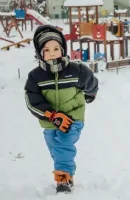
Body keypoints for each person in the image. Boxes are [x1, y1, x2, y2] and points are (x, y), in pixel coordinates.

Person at [24, 25, 98, 193]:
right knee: (55, 149)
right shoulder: (36, 76)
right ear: (40, 53)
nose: (52, 52)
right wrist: (52, 116)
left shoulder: (76, 70)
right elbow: (31, 100)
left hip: (73, 118)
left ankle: (62, 179)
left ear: (63, 49)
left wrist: (90, 95)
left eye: (56, 48)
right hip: (50, 122)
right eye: (47, 49)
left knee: (63, 145)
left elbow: (91, 82)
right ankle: (67, 174)